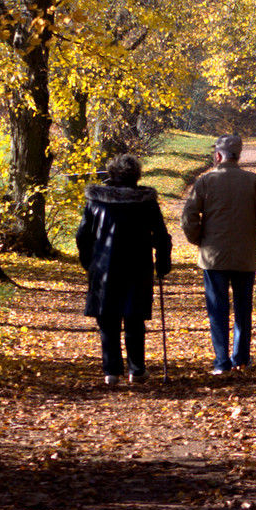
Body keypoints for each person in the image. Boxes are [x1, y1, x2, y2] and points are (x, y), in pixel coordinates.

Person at [181, 134, 256, 375]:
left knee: (217, 309)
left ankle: (221, 363)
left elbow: (188, 217)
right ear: (237, 156)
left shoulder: (204, 182)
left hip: (212, 257)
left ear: (218, 156)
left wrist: (198, 239)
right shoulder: (254, 182)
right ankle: (240, 357)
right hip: (245, 256)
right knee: (242, 307)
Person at [76, 153, 172, 387]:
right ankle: (136, 370)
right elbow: (161, 235)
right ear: (136, 175)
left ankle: (111, 371)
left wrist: (88, 262)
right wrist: (162, 263)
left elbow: (83, 235)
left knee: (107, 318)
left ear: (111, 174)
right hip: (137, 266)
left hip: (104, 266)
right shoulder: (146, 201)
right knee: (134, 317)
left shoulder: (96, 200)